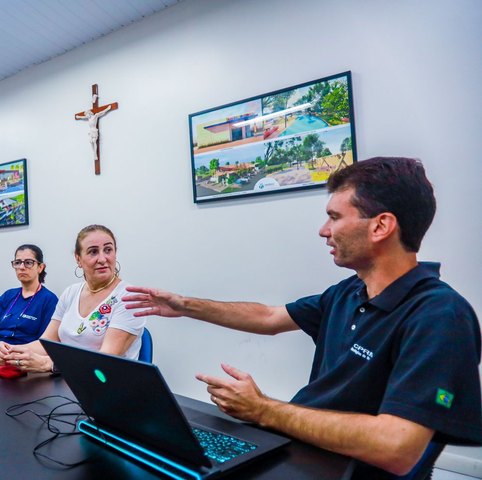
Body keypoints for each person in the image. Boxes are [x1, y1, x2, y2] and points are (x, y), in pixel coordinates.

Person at [123, 157, 482, 478]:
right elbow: (268, 317)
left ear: (380, 226)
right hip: (299, 451)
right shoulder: (348, 292)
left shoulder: (440, 315)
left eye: (335, 217)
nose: (324, 230)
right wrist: (185, 305)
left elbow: (398, 449)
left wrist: (263, 409)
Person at [0, 225, 145, 373]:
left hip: (107, 387)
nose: (102, 258)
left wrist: (49, 364)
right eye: (93, 252)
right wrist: (10, 351)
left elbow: (105, 361)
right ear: (78, 259)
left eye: (108, 250)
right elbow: (46, 343)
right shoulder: (71, 293)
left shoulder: (129, 298)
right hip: (66, 381)